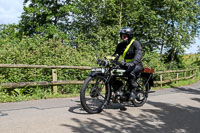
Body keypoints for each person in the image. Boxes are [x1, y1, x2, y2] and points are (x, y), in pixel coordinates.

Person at [113, 27, 143, 100]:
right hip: (126, 65)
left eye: (125, 35)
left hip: (137, 65)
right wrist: (110, 60)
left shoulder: (135, 43)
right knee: (112, 71)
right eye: (122, 35)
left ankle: (133, 91)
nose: (123, 37)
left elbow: (139, 54)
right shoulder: (120, 45)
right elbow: (116, 55)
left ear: (130, 36)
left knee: (131, 72)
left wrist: (133, 63)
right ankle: (118, 88)